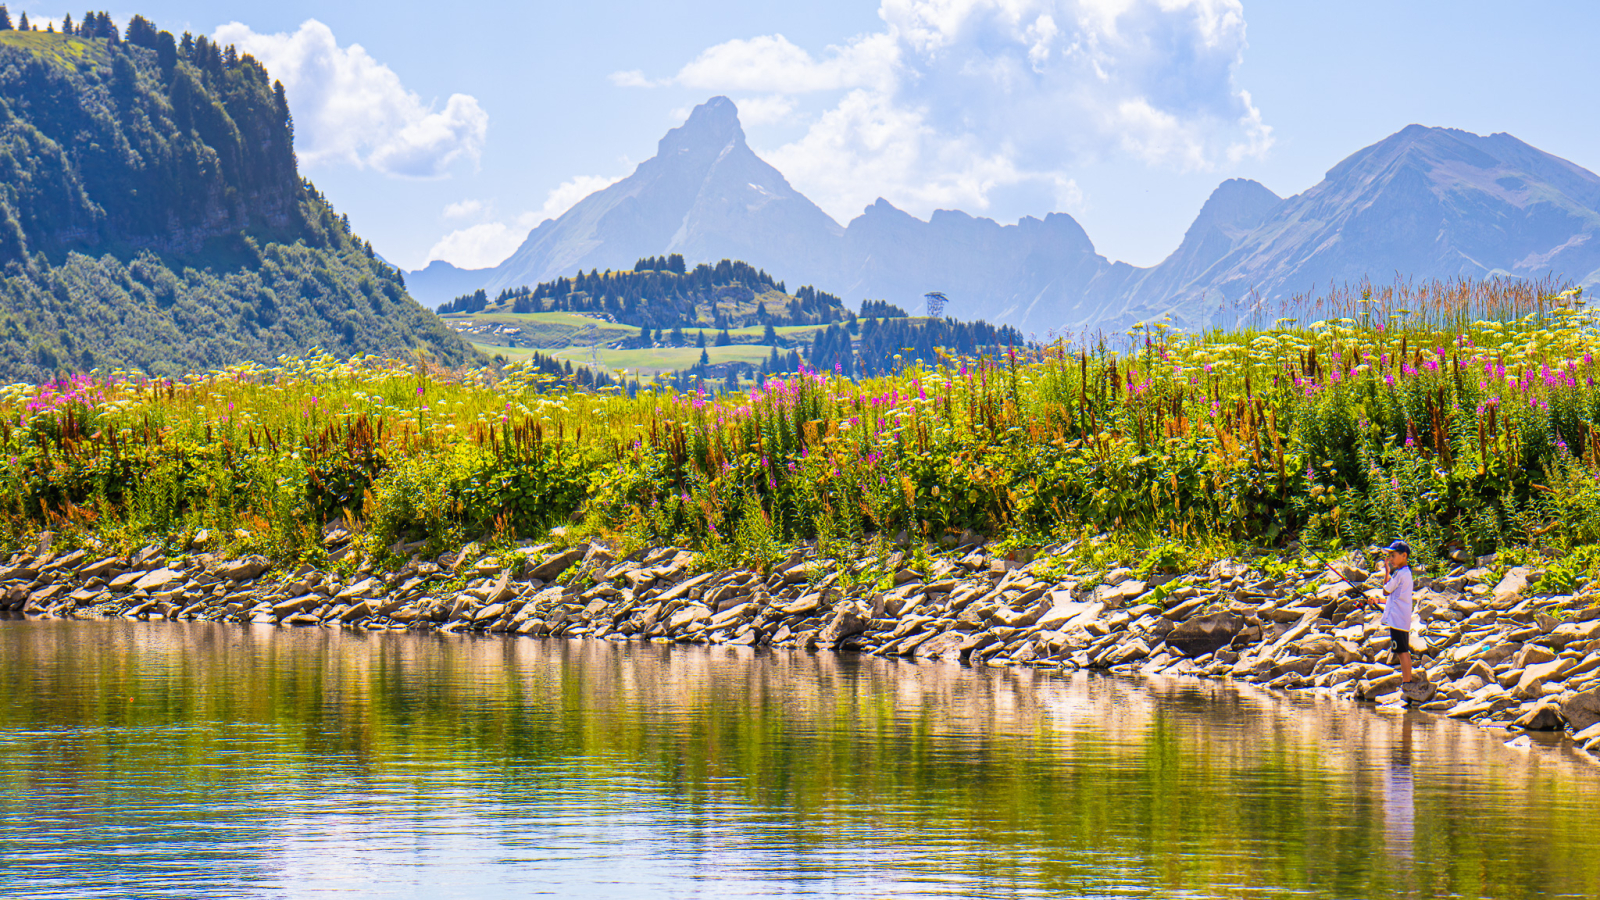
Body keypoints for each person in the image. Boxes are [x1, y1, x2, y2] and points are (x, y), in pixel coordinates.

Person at [1371, 539, 1416, 697]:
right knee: (1404, 651)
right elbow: (1393, 597)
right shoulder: (1407, 574)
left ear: (1404, 555)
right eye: (1389, 555)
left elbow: (1386, 591)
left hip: (1398, 620)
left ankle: (1407, 683)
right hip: (1402, 620)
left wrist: (1387, 572)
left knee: (1402, 652)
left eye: (1393, 555)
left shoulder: (1399, 574)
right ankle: (1407, 682)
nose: (1390, 558)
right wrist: (1377, 601)